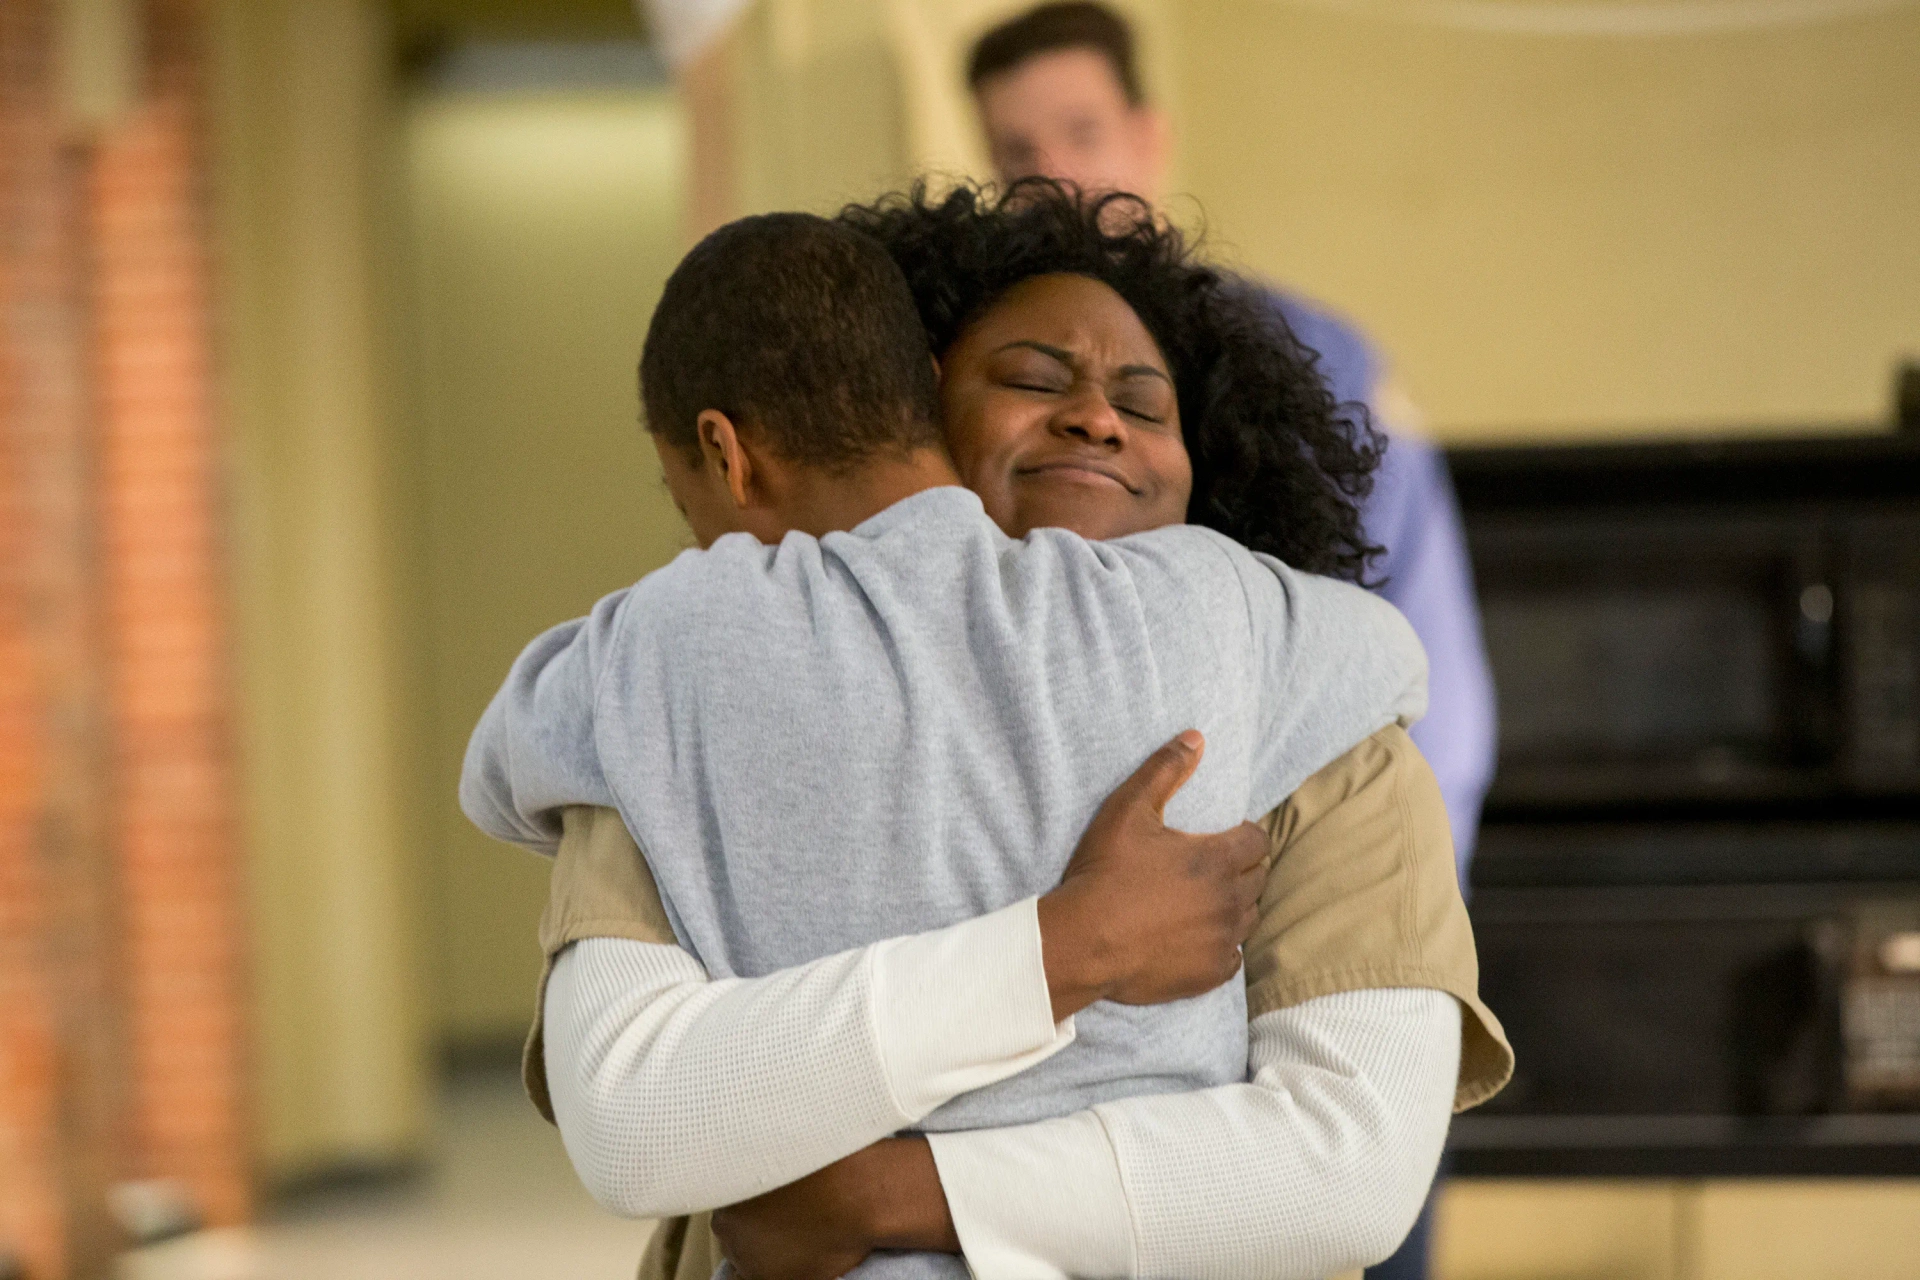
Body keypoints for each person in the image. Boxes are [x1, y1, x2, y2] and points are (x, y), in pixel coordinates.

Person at [464, 195, 1508, 1279]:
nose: (1098, 417)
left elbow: (1344, 1165)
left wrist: (885, 1197)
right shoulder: (687, 715)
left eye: (1145, 404)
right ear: (914, 407)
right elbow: (635, 1106)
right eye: (1032, 379)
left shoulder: (1328, 740)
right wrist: (1067, 946)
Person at [968, 8, 1499, 1274]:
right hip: (1073, 974)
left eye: (1083, 130)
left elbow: (1433, 698)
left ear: (1150, 137)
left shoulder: (1317, 363)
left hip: (1314, 921)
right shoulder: (977, 392)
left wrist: (1363, 927)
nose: (1054, 175)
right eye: (1016, 148)